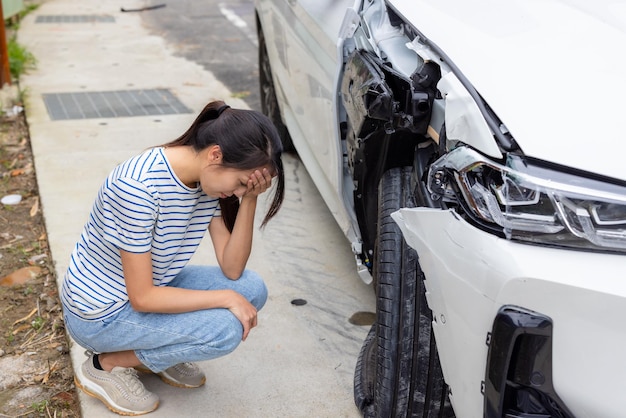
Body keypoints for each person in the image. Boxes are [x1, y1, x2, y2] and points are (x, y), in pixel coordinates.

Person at [60, 100, 285, 415]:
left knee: (251, 288)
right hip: (101, 314)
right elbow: (142, 297)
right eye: (240, 183)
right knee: (225, 328)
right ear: (215, 155)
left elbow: (233, 269)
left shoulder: (206, 181)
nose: (236, 192)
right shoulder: (138, 189)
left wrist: (248, 198)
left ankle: (159, 353)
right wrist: (226, 299)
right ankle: (105, 364)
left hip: (147, 287)